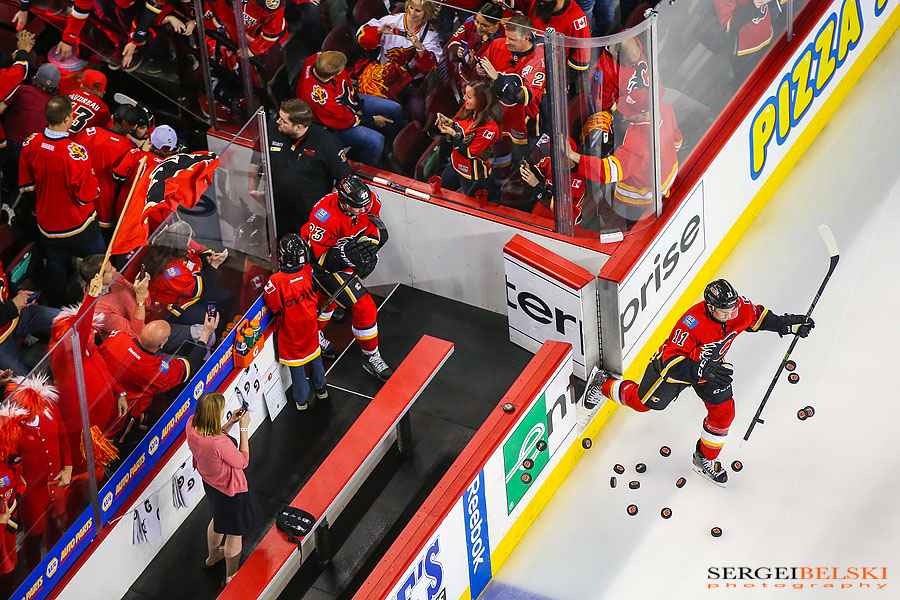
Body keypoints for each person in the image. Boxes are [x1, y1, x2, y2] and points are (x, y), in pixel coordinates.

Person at [581, 279, 816, 487]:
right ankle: (603, 383)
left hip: (711, 369)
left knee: (724, 414)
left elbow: (757, 318)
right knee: (642, 403)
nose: (731, 315)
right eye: (725, 312)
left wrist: (788, 325)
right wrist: (700, 369)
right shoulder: (691, 323)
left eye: (733, 310)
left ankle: (704, 458)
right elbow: (671, 360)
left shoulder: (738, 309)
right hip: (675, 371)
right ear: (710, 307)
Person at [302, 175, 393, 381]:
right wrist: (349, 258)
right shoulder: (323, 215)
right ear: (343, 202)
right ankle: (371, 356)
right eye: (358, 207)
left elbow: (375, 228)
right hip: (325, 267)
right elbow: (320, 260)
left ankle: (312, 336)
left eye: (365, 204)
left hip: (345, 260)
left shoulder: (368, 201)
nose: (364, 210)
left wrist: (369, 249)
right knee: (365, 306)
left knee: (329, 302)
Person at [19, 95, 104, 307]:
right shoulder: (75, 153)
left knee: (55, 263)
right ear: (68, 119)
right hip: (78, 225)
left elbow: (26, 186)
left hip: (47, 224)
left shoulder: (31, 143)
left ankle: (57, 309)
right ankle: (101, 305)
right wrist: (93, 178)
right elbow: (86, 195)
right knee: (101, 263)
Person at [100, 312, 217, 441]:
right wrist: (206, 333)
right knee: (120, 441)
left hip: (99, 394)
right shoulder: (154, 371)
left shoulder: (118, 336)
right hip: (121, 413)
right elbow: (189, 366)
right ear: (162, 345)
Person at [186, 392, 261, 586]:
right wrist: (243, 427)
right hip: (231, 490)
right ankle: (231, 576)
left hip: (211, 485)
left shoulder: (192, 424)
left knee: (219, 520)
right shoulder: (219, 444)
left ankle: (212, 557)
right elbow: (243, 461)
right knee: (234, 533)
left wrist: (230, 423)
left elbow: (213, 432)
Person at [568, 104, 682, 226]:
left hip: (641, 198)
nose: (624, 113)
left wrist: (573, 155)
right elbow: (677, 142)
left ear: (643, 114)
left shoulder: (638, 147)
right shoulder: (664, 109)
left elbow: (607, 171)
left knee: (623, 223)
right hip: (668, 177)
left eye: (630, 111)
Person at [3, 374, 72, 569]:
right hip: (32, 491)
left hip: (57, 482)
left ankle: (58, 561)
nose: (40, 411)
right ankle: (34, 570)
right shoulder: (11, 429)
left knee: (58, 522)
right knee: (35, 533)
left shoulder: (50, 408)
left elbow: (63, 432)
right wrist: (17, 480)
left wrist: (68, 466)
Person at [296, 50, 403, 167]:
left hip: (348, 102)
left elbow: (346, 86)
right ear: (333, 76)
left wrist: (356, 106)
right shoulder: (318, 98)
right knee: (376, 141)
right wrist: (371, 120)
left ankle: (394, 145)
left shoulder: (319, 59)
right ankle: (367, 169)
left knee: (395, 108)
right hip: (333, 125)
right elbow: (342, 119)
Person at [263, 234, 328, 411]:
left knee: (297, 369)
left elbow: (272, 305)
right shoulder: (308, 270)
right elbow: (315, 293)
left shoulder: (276, 281)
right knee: (315, 359)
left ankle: (301, 401)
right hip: (310, 327)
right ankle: (321, 389)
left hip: (292, 333)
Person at [268, 99, 350, 235]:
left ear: (298, 127)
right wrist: (252, 187)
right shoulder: (272, 128)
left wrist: (326, 209)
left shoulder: (327, 142)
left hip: (308, 215)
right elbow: (258, 155)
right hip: (276, 209)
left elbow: (343, 178)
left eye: (283, 120)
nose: (278, 121)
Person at [356, 0, 442, 121]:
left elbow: (430, 67)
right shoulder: (391, 20)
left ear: (426, 13)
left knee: (417, 113)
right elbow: (360, 38)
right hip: (382, 77)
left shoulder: (430, 35)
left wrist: (420, 48)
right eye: (410, 8)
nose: (412, 13)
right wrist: (379, 31)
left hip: (408, 82)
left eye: (418, 10)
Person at [74, 105, 148, 233]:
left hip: (75, 200)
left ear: (113, 118)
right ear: (134, 127)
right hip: (103, 212)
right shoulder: (132, 151)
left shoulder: (91, 132)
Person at [478, 16, 546, 153]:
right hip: (498, 115)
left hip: (525, 123)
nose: (507, 42)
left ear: (526, 38)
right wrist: (481, 70)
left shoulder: (539, 61)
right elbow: (484, 67)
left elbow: (524, 97)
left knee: (521, 158)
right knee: (500, 153)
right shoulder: (498, 44)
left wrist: (497, 78)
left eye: (512, 40)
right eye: (507, 37)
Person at [0, 62, 59, 201]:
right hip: (28, 151)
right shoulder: (55, 104)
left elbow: (1, 108)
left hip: (5, 142)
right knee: (18, 184)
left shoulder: (22, 89)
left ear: (35, 77)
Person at [436, 80, 501, 195]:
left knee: (470, 208)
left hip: (472, 174)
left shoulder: (489, 127)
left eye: (469, 97)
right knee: (440, 192)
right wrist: (449, 122)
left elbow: (469, 154)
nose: (464, 98)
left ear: (480, 101)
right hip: (454, 163)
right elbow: (459, 126)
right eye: (465, 94)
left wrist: (452, 134)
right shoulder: (468, 108)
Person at [0, 258, 59, 375]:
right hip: (1, 338)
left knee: (67, 319)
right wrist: (13, 305)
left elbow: (3, 281)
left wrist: (17, 292)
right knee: (25, 385)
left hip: (16, 316)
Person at [518, 137, 586, 224]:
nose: (550, 156)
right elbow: (538, 171)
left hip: (563, 223)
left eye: (553, 154)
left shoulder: (576, 181)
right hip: (542, 210)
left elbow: (559, 208)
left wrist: (536, 185)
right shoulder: (551, 162)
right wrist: (527, 168)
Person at [716, 0, 786, 82]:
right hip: (745, 53)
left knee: (776, 76)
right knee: (752, 83)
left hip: (767, 37)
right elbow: (728, 26)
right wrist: (753, 6)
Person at [523, 0, 590, 74]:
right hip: (526, 65)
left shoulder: (577, 20)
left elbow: (580, 63)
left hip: (555, 75)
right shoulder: (536, 2)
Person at [446, 3, 504, 86]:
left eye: (484, 25)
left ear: (496, 25)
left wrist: (473, 63)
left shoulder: (503, 40)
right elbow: (454, 41)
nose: (478, 27)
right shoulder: (471, 21)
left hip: (481, 85)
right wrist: (458, 52)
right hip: (459, 76)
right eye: (477, 22)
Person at [68, 69, 111, 134]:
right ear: (102, 92)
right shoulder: (103, 108)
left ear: (82, 85)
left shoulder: (73, 93)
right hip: (75, 141)